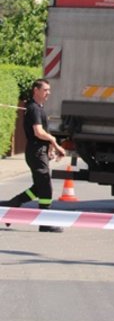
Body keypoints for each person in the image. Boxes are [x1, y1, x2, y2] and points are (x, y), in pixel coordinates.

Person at [2, 79, 68, 232]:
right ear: (36, 90)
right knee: (46, 188)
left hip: (38, 151)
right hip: (36, 152)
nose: (48, 93)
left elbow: (42, 132)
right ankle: (45, 223)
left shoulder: (38, 107)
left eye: (49, 90)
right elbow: (38, 132)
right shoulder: (34, 109)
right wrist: (54, 142)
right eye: (45, 90)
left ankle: (11, 205)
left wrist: (50, 147)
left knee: (39, 187)